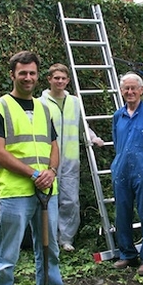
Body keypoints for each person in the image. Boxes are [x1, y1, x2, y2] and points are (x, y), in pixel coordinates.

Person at [0, 51, 84, 285]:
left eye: (32, 73)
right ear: (12, 74)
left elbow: (53, 145)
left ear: (39, 76)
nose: (28, 78)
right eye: (22, 73)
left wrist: (51, 170)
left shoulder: (43, 108)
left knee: (48, 250)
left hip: (45, 192)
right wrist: (34, 174)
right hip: (16, 193)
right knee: (7, 254)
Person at [39, 63, 104, 252]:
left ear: (67, 80)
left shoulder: (75, 102)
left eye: (63, 78)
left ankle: (66, 239)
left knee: (70, 201)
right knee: (47, 200)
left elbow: (82, 126)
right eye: (56, 78)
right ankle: (48, 239)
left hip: (70, 160)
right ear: (49, 79)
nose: (60, 81)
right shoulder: (40, 103)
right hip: (47, 160)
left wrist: (93, 138)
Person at [111, 72, 143, 276]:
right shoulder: (118, 115)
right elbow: (117, 143)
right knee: (122, 214)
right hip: (121, 170)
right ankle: (127, 255)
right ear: (122, 91)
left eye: (134, 88)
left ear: (141, 90)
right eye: (126, 88)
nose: (130, 92)